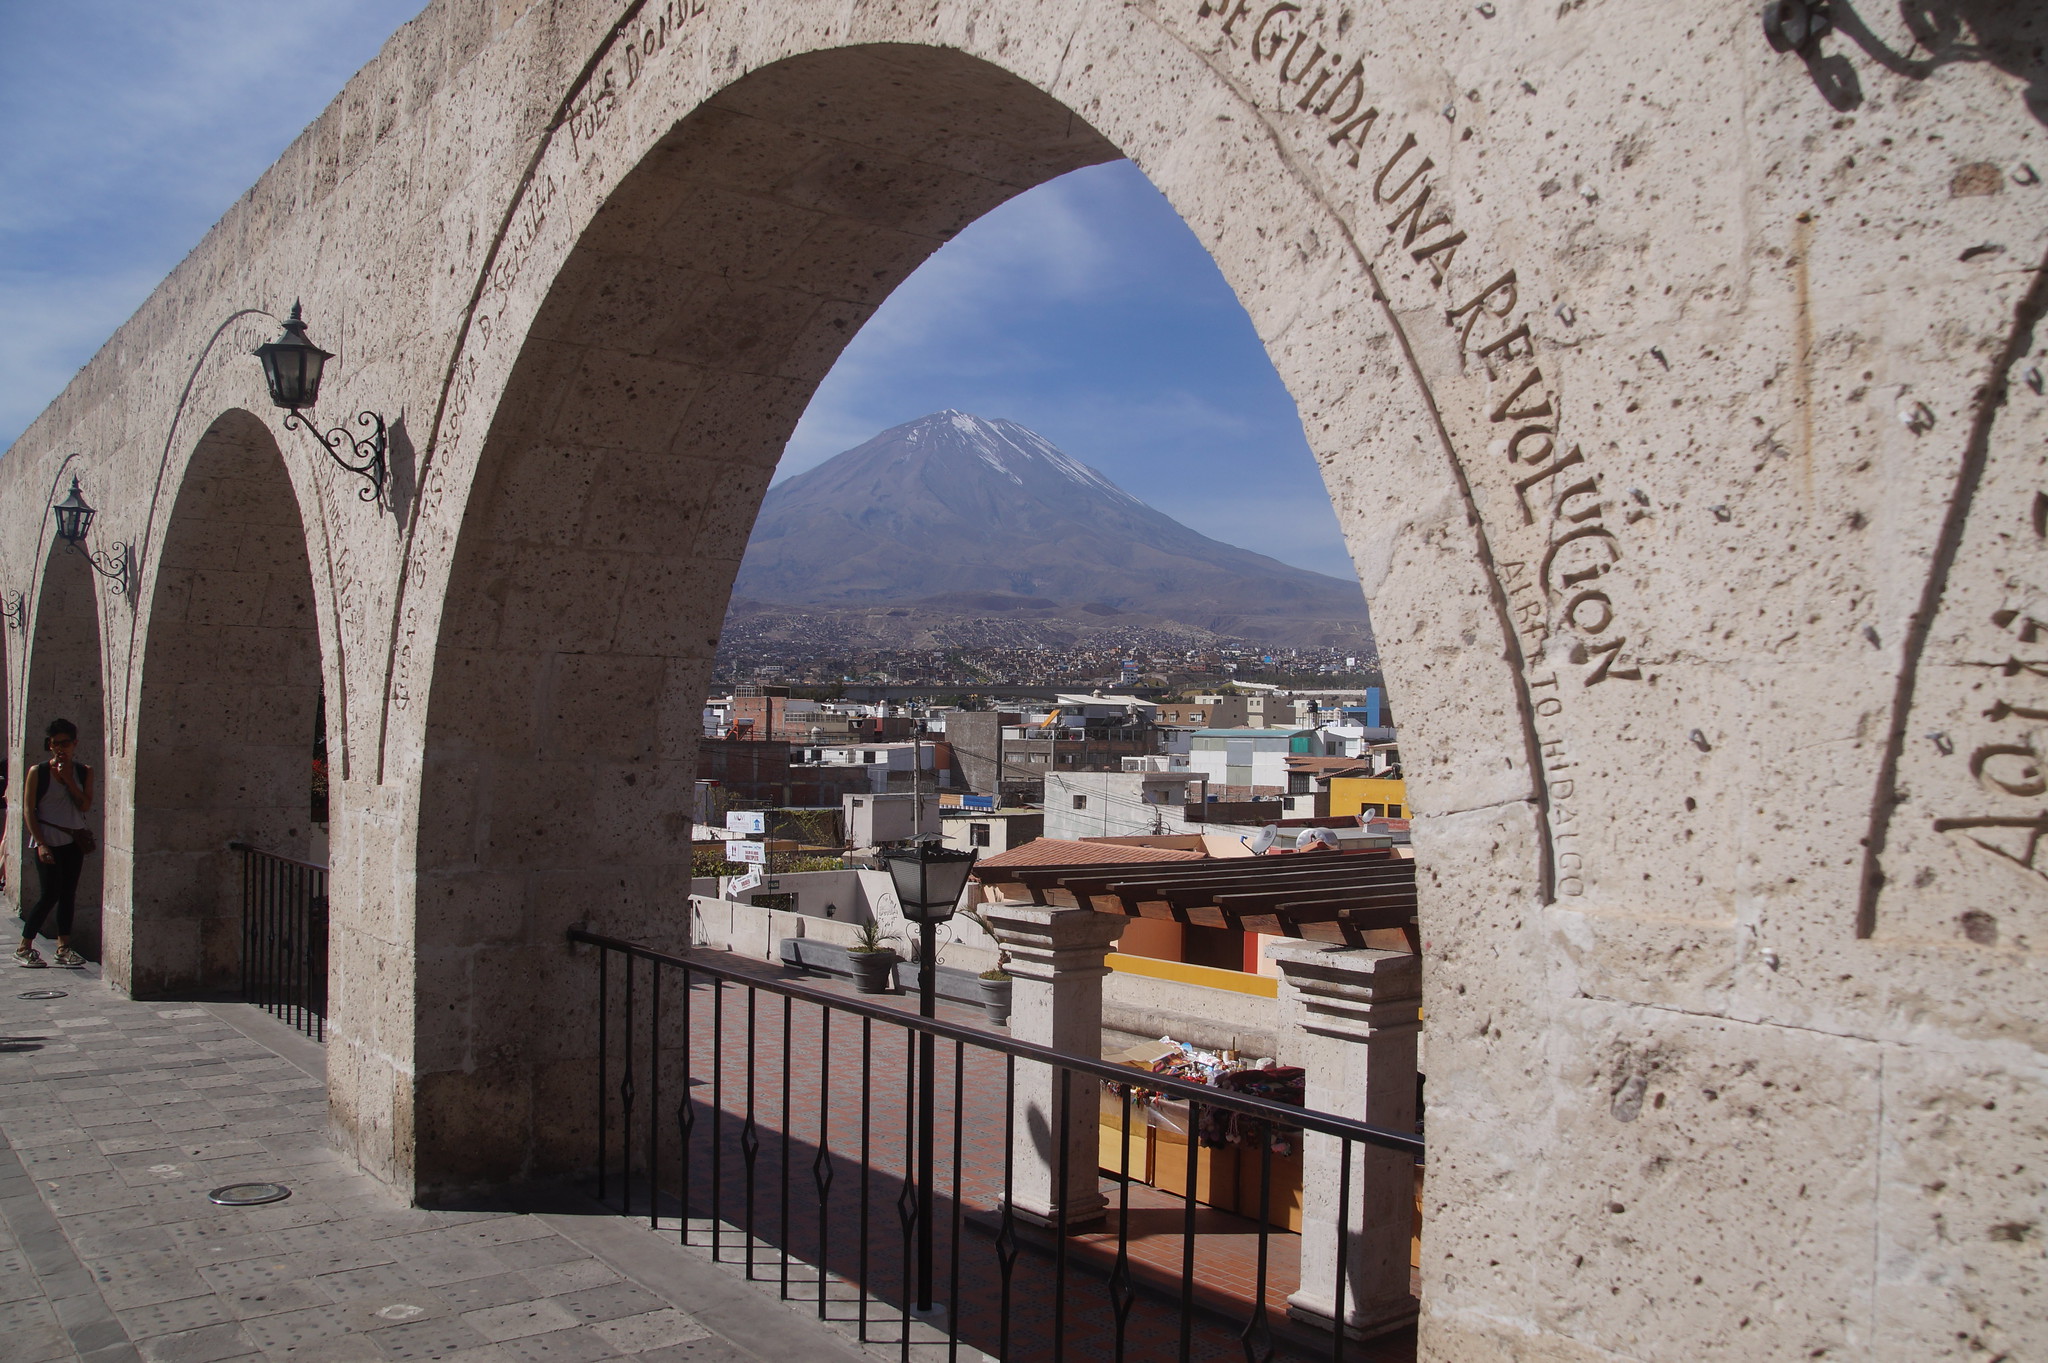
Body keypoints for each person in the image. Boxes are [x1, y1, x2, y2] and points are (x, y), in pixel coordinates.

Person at [16, 719, 92, 968]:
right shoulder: (37, 772)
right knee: (49, 894)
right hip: (48, 839)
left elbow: (85, 805)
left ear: (75, 744)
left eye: (66, 743)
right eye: (56, 744)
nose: (61, 748)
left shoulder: (83, 772)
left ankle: (63, 946)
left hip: (73, 840)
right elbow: (29, 810)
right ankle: (24, 946)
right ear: (50, 745)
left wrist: (68, 779)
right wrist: (40, 843)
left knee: (68, 894)